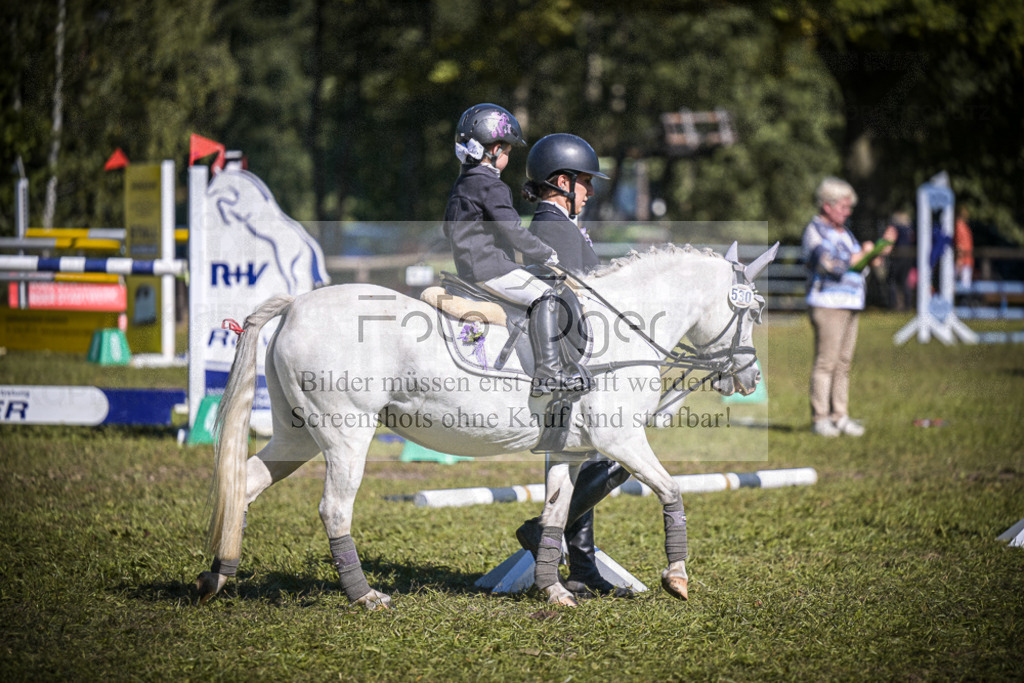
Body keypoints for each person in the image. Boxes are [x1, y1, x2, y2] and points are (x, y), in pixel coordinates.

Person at [514, 133, 633, 597]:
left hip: (580, 354)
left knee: (592, 464)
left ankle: (582, 567)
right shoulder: (552, 226)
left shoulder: (562, 224)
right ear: (562, 182)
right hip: (569, 359)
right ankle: (544, 533)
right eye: (585, 182)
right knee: (611, 460)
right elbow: (579, 292)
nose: (591, 191)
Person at [442, 104, 587, 395]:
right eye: (507, 151)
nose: (508, 156)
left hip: (469, 268)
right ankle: (549, 371)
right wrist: (547, 253)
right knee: (546, 295)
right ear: (495, 149)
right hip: (491, 268)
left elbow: (449, 227)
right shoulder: (491, 186)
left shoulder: (463, 183)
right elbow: (513, 230)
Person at [802, 177, 896, 437]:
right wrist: (863, 253)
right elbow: (832, 265)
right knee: (826, 363)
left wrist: (877, 251)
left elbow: (859, 264)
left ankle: (840, 416)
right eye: (843, 207)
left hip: (850, 303)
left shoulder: (845, 233)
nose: (847, 212)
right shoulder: (815, 231)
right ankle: (820, 418)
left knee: (843, 364)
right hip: (827, 305)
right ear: (827, 205)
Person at [885, 211, 915, 311]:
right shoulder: (909, 229)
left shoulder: (894, 228)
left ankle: (893, 304)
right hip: (908, 256)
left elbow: (889, 240)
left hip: (897, 255)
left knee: (892, 280)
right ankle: (907, 305)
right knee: (904, 281)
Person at [954, 206, 974, 288]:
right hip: (966, 260)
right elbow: (961, 244)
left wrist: (959, 260)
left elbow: (960, 245)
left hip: (964, 260)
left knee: (958, 286)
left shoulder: (960, 226)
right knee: (965, 287)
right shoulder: (963, 227)